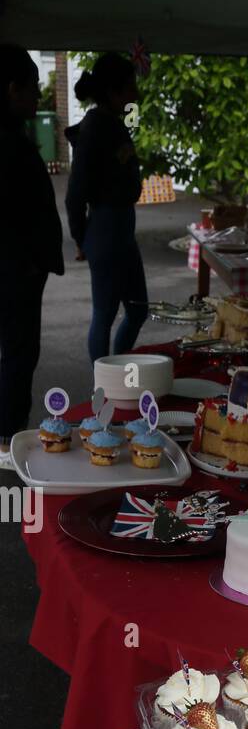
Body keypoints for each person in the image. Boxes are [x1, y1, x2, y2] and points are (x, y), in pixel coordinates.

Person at [0, 45, 64, 461]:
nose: (37, 97)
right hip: (14, 267)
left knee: (18, 351)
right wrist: (30, 262)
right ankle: (7, 437)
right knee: (19, 352)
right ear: (11, 89)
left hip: (18, 264)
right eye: (32, 89)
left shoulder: (13, 135)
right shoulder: (8, 143)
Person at [65, 52, 147, 362]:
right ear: (113, 92)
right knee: (105, 314)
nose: (135, 95)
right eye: (129, 88)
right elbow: (75, 194)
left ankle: (118, 373)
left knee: (138, 309)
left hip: (122, 230)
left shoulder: (113, 124)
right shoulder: (94, 129)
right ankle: (103, 390)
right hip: (104, 230)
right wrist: (80, 236)